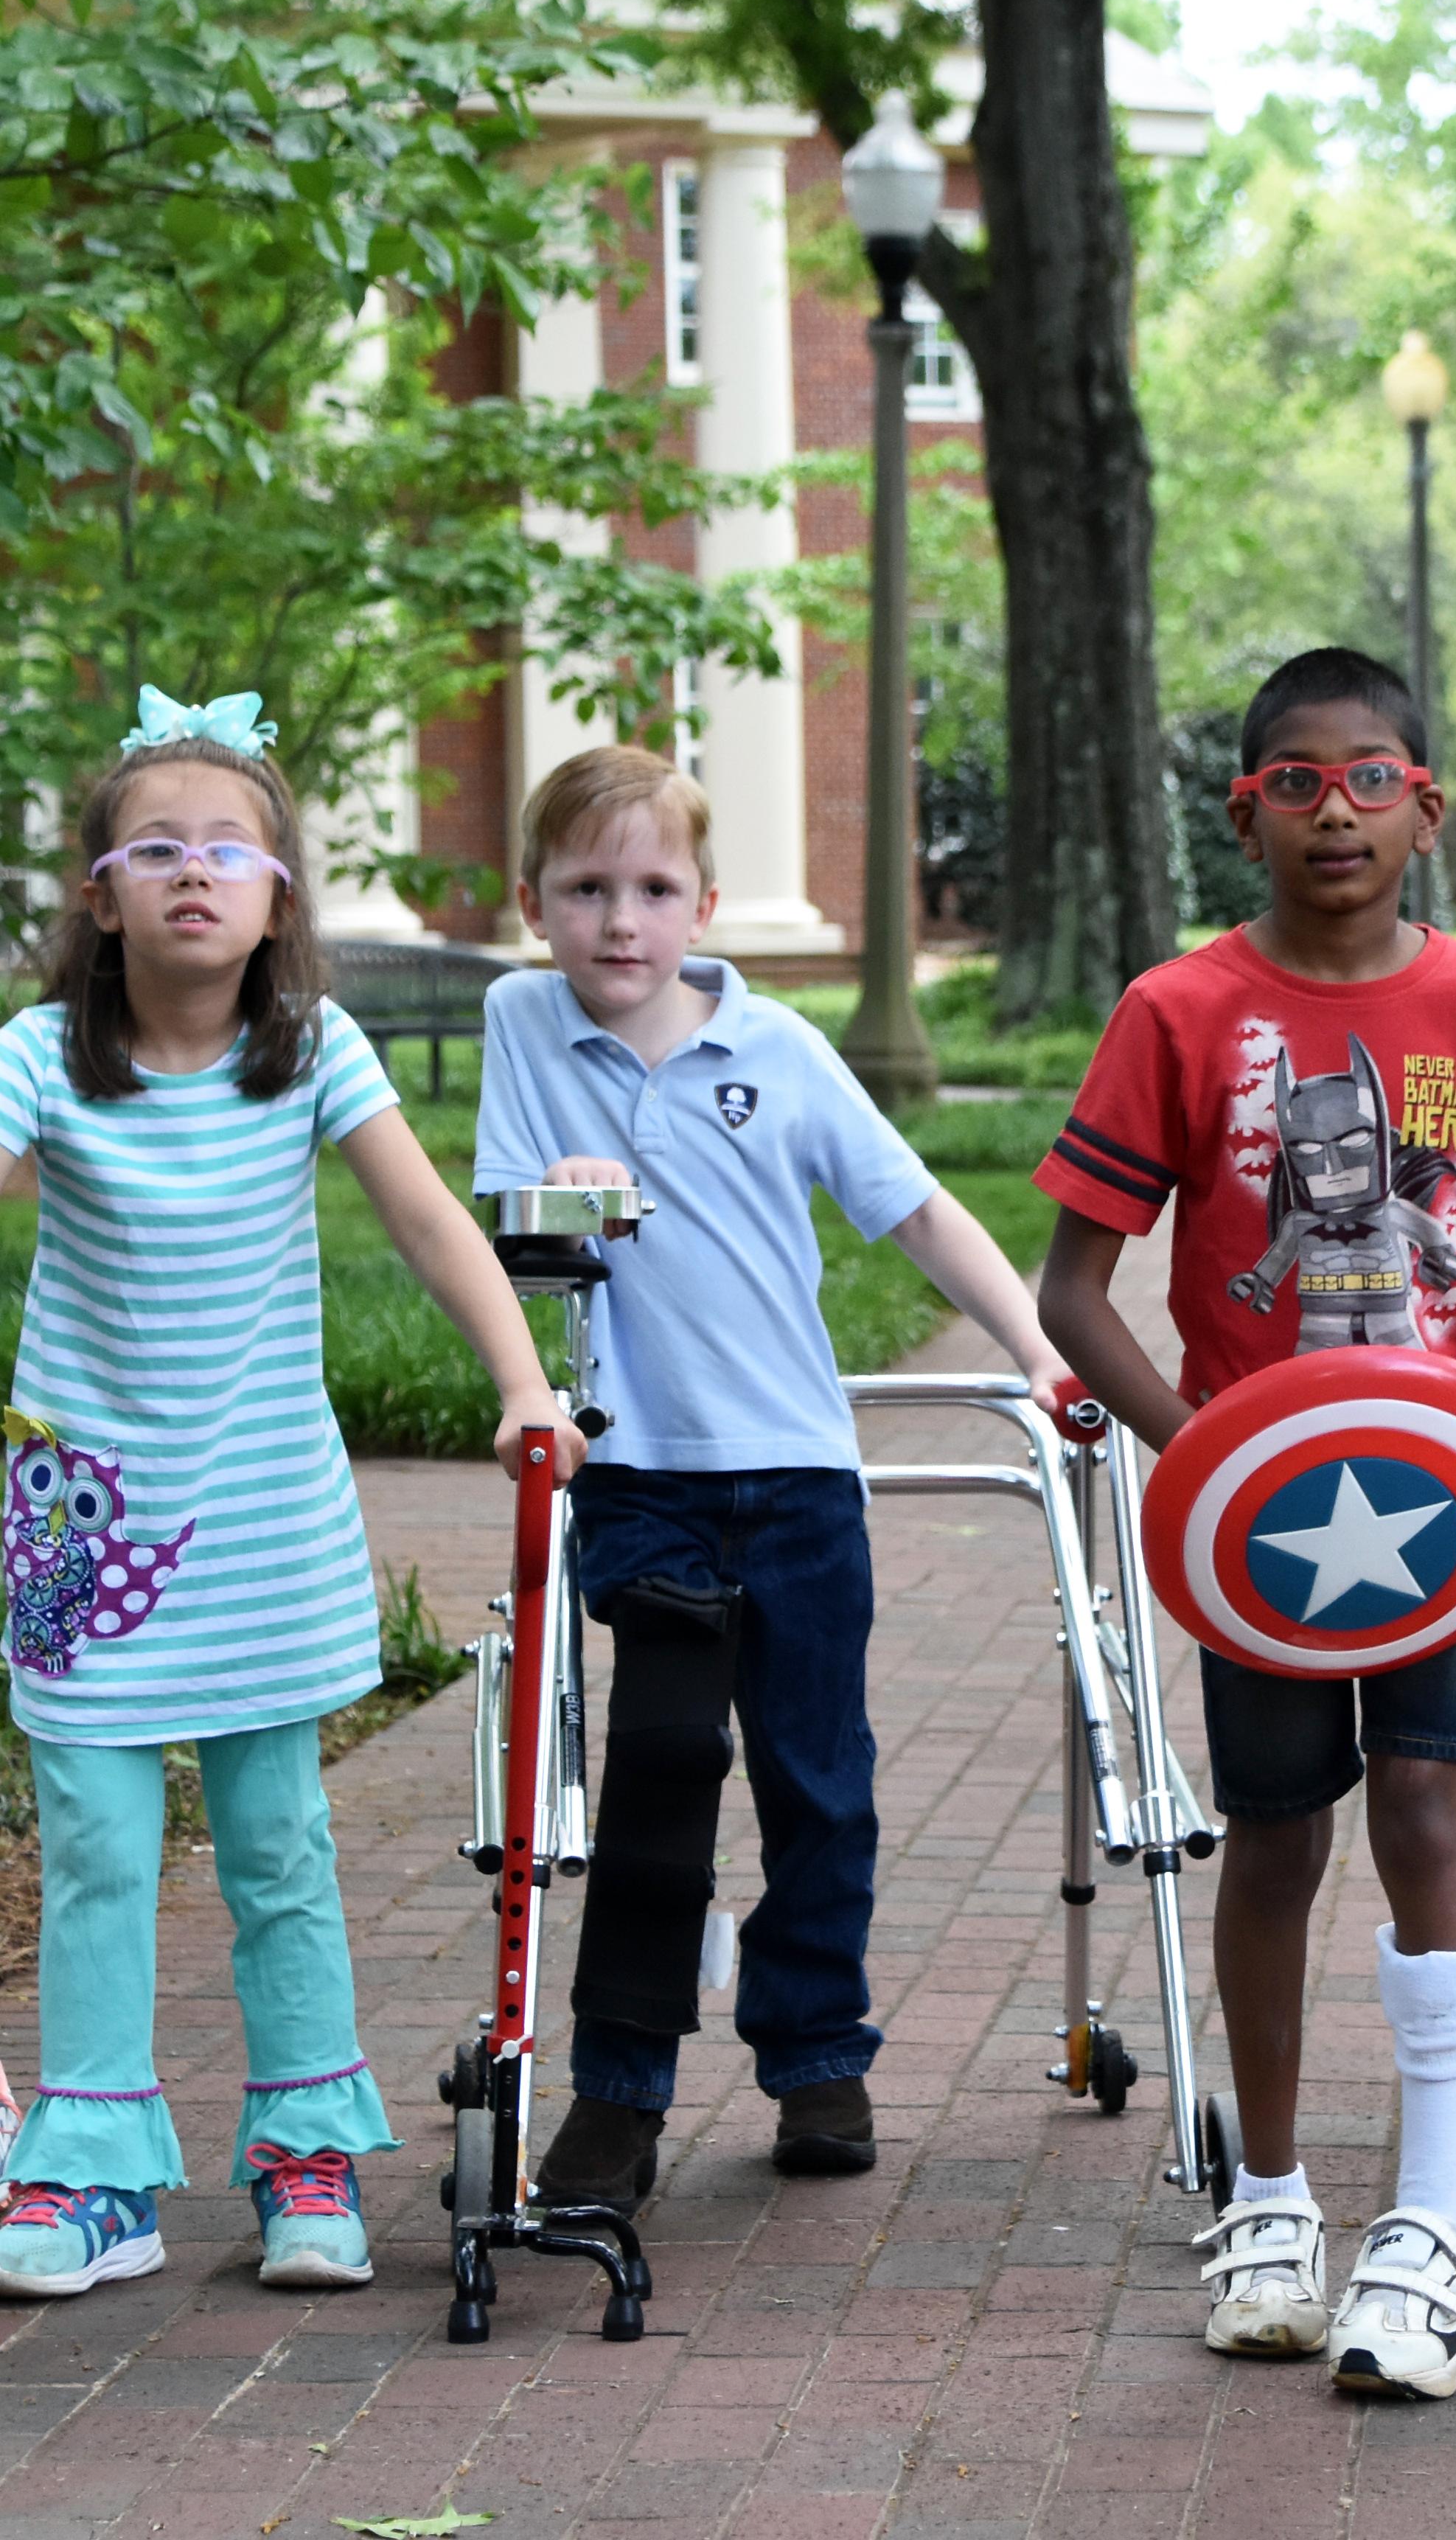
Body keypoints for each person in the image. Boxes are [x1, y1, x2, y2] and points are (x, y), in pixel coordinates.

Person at [1034, 644, 1456, 2401]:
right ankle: (1269, 2198)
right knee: (1273, 1836)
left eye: (1372, 779)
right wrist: (1204, 1454)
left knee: (1426, 1808)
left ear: (1426, 809)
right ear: (1245, 813)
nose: (1337, 811)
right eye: (1297, 781)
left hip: (1432, 1523)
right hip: (1269, 1533)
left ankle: (1435, 2222)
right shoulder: (1176, 1013)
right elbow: (1076, 1290)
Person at [0, 690, 584, 2304]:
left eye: (231, 851)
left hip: (265, 1517)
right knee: (100, 1849)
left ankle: (305, 2151)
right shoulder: (41, 1056)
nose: (197, 874)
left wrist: (524, 1379)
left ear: (278, 899)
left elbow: (427, 1223)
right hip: (82, 1533)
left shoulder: (312, 1050)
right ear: (100, 895)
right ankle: (94, 2167)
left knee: (278, 1843)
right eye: (157, 849)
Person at [471, 745, 1063, 2210]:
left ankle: (814, 2055)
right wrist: (531, 1360)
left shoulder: (783, 1051)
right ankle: (619, 2091)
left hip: (799, 1477)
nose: (621, 920)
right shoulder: (522, 1022)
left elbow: (917, 1213)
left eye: (655, 888)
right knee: (666, 1764)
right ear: (531, 902)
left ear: (708, 904)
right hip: (643, 1476)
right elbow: (509, 1230)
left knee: (820, 1782)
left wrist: (1041, 1347)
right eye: (587, 888)